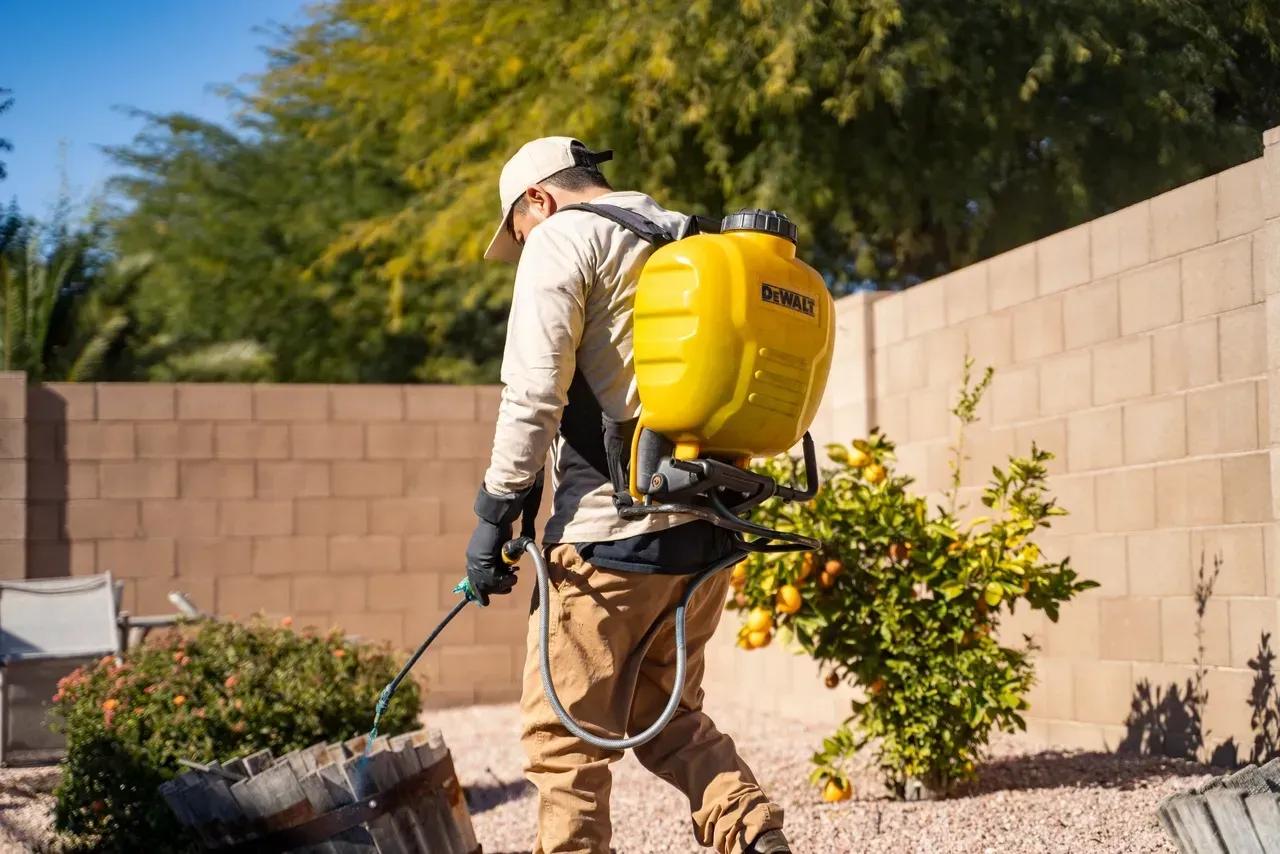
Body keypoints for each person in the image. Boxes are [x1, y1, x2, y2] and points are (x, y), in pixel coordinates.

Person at [464, 136, 793, 854]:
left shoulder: (562, 241)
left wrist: (494, 511)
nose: (524, 249)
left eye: (518, 234)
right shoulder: (688, 239)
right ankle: (753, 834)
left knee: (562, 739)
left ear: (538, 201)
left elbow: (532, 396)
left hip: (609, 537)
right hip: (706, 532)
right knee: (666, 712)